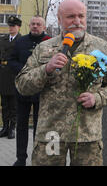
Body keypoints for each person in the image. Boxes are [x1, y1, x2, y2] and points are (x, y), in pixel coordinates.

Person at [15, 0, 107, 166]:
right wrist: (46, 69)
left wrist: (97, 98)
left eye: (81, 16)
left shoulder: (101, 47)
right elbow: (22, 85)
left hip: (87, 135)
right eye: (70, 16)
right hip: (50, 134)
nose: (77, 21)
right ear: (59, 19)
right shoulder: (44, 48)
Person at [8, 16, 50, 166]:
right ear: (29, 25)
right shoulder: (20, 42)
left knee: (40, 127)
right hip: (23, 91)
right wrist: (25, 72)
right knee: (21, 126)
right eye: (32, 24)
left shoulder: (50, 41)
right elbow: (11, 60)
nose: (35, 26)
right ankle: (21, 158)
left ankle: (37, 158)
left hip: (42, 92)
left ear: (43, 26)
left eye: (38, 24)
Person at [0, 16, 22, 139]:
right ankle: (5, 127)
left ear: (18, 27)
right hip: (3, 75)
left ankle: (12, 128)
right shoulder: (2, 39)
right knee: (4, 104)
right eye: (9, 26)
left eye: (13, 26)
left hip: (14, 74)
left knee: (13, 104)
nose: (11, 28)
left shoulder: (21, 40)